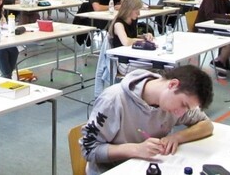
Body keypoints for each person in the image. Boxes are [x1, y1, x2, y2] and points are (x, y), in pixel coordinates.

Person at [81, 65, 215, 175]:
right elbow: (89, 149)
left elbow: (207, 125)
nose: (181, 113)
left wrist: (176, 137)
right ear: (173, 85)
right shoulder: (113, 100)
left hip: (146, 167)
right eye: (183, 105)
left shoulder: (173, 103)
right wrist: (136, 150)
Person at [106, 0, 154, 76]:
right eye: (136, 11)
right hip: (124, 64)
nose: (139, 13)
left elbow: (133, 37)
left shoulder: (133, 20)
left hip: (133, 57)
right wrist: (142, 41)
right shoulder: (118, 24)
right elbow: (126, 41)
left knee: (160, 66)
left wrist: (145, 36)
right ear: (129, 10)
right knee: (157, 66)